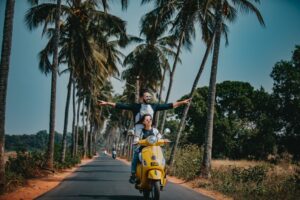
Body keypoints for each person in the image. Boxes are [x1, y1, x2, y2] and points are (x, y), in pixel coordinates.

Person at [98, 88, 191, 142]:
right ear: (142, 97)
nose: (149, 98)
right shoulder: (136, 106)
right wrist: (106, 103)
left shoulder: (154, 106)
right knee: (136, 151)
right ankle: (134, 173)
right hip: (138, 130)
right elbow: (121, 105)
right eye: (147, 96)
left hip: (150, 129)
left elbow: (169, 105)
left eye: (150, 96)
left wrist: (182, 102)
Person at [129, 114, 161, 183]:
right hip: (142, 149)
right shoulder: (141, 131)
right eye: (147, 120)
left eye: (150, 119)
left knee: (162, 159)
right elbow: (137, 137)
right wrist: (136, 140)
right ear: (143, 122)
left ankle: (163, 175)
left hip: (154, 150)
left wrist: (163, 140)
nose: (149, 121)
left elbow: (159, 137)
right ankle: (133, 174)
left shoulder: (155, 130)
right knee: (135, 158)